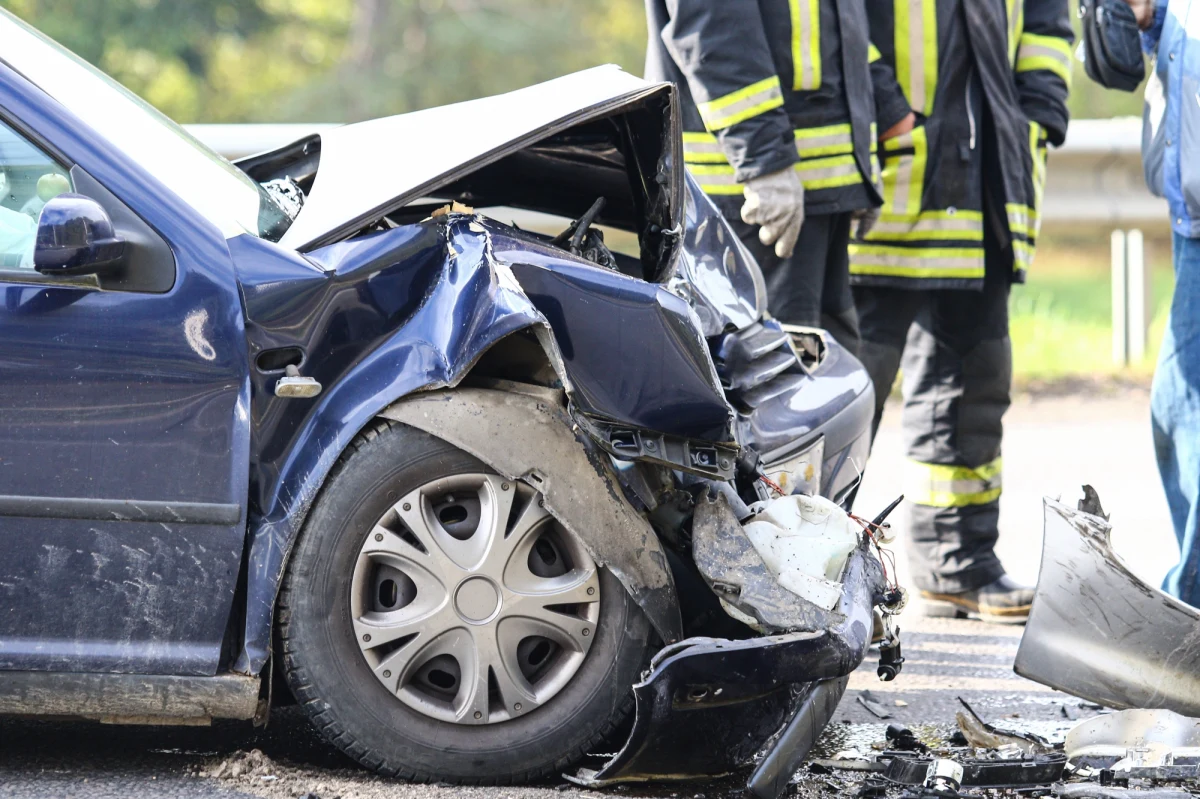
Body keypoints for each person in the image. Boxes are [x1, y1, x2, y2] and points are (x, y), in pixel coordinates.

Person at [849, 0, 1072, 622]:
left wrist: (1038, 115)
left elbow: (1048, 27)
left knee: (973, 388)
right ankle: (809, 574)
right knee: (845, 400)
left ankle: (960, 567)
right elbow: (833, 25)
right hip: (887, 185)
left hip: (989, 185)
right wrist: (890, 112)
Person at [644, 0, 892, 354]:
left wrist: (859, 163)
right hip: (745, 196)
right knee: (767, 378)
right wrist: (765, 161)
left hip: (810, 190)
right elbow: (715, 30)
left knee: (823, 369)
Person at [1120, 0, 1200, 608]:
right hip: (1191, 218)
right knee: (1178, 407)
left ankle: (1191, 604)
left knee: (1186, 408)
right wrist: (1151, 20)